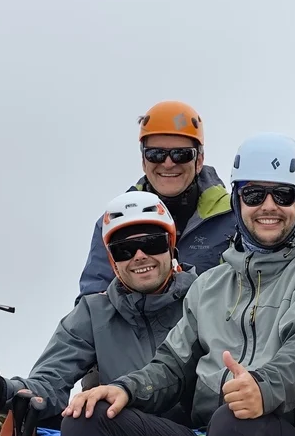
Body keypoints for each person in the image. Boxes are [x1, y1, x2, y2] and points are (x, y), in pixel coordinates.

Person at [59, 132, 295, 436]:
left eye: (282, 195)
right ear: (236, 199)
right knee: (90, 415)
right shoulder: (210, 284)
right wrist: (124, 389)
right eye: (253, 195)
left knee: (237, 417)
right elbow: (170, 365)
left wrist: (262, 389)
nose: (268, 207)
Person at [0, 191, 197, 419]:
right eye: (124, 249)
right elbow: (49, 384)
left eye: (152, 243)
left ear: (170, 246)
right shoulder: (93, 314)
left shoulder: (205, 296)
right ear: (112, 262)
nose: (140, 256)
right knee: (83, 416)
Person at [75, 100, 235, 303]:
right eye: (156, 154)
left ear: (199, 160)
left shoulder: (233, 218)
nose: (168, 164)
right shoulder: (112, 224)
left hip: (213, 334)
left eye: (181, 154)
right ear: (143, 160)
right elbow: (92, 305)